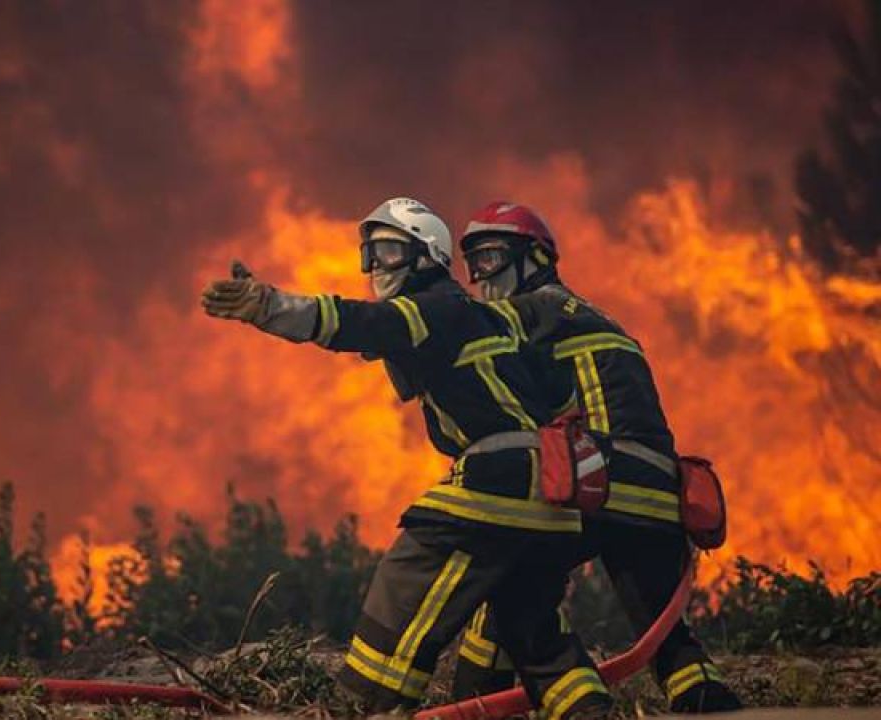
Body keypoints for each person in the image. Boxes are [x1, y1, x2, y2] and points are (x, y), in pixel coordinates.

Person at [201, 197, 613, 719]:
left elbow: (358, 324)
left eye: (391, 251)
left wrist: (268, 306)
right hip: (552, 494)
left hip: (501, 476)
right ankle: (588, 708)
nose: (375, 267)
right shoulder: (484, 317)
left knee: (405, 578)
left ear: (428, 257)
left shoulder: (434, 305)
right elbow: (556, 396)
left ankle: (370, 704)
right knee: (528, 622)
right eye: (369, 254)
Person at [451, 201, 742, 713]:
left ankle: (516, 698)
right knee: (658, 618)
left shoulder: (532, 309)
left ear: (535, 258)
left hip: (600, 481)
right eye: (472, 264)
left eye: (491, 258)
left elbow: (459, 330)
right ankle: (701, 691)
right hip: (656, 492)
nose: (480, 276)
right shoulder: (590, 314)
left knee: (510, 579)